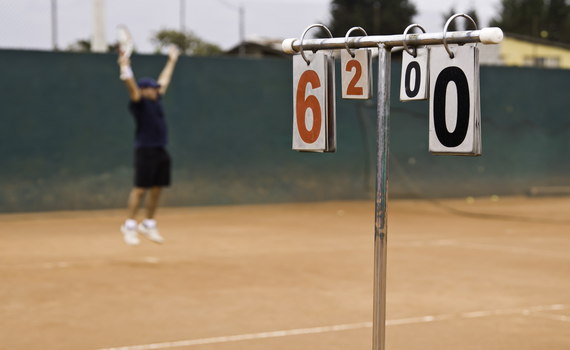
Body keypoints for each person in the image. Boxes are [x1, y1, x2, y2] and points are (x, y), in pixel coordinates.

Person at [117, 45, 180, 246]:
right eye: (152, 88)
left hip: (161, 150)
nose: (156, 89)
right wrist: (125, 68)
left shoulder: (156, 100)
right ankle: (129, 225)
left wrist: (172, 60)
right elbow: (131, 87)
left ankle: (149, 224)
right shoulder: (139, 102)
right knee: (140, 190)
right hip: (145, 150)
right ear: (144, 90)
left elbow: (164, 80)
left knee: (156, 189)